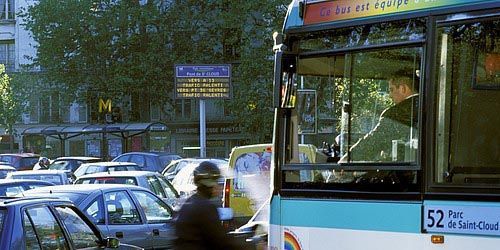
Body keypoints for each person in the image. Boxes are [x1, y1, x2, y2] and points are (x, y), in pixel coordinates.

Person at [341, 72, 419, 162]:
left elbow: (375, 141)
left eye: (391, 89)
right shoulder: (430, 106)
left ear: (403, 88)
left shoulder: (395, 113)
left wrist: (348, 158)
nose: (390, 95)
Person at [174, 161, 247, 250]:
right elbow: (221, 241)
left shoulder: (188, 203)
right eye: (216, 181)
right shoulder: (206, 208)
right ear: (208, 183)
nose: (219, 186)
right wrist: (251, 245)